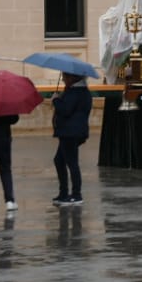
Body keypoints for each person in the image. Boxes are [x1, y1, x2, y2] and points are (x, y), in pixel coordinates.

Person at [52, 72, 92, 206]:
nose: (63, 79)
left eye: (65, 77)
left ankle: (76, 194)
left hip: (70, 132)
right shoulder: (78, 91)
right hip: (70, 132)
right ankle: (63, 192)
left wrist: (56, 100)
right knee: (59, 160)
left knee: (72, 163)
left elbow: (65, 110)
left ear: (72, 78)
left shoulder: (76, 92)